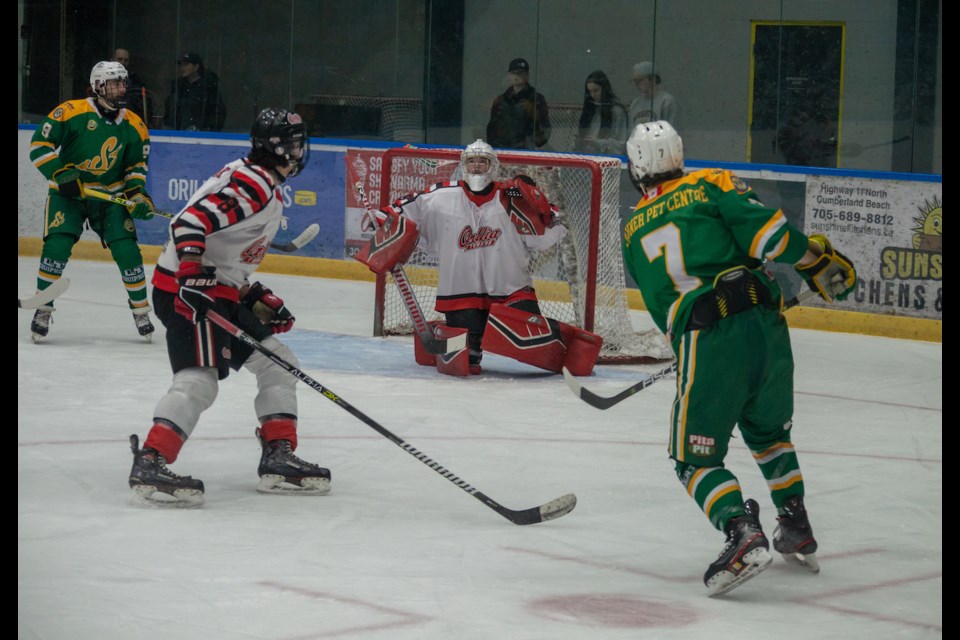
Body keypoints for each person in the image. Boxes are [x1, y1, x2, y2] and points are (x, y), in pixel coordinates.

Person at [622, 121, 857, 597]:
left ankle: (739, 531)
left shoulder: (633, 228)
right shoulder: (711, 182)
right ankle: (795, 523)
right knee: (770, 436)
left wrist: (699, 353)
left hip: (707, 337)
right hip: (766, 327)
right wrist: (814, 259)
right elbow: (770, 236)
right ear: (679, 154)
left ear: (637, 166)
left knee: (693, 459)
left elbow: (664, 305)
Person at [127, 107, 328, 507]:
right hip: (190, 294)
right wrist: (190, 273)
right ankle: (151, 459)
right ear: (275, 149)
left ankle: (277, 455)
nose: (298, 150)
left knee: (277, 361)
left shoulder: (258, 180)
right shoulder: (253, 185)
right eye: (292, 143)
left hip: (215, 290)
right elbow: (186, 225)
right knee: (200, 379)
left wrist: (250, 293)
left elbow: (225, 252)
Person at [357, 140, 602, 377]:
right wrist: (381, 218)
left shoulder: (513, 196)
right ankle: (449, 337)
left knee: (530, 344)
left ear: (493, 166)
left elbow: (551, 230)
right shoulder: (441, 195)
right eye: (471, 161)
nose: (476, 167)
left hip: (511, 290)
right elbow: (404, 208)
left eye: (482, 162)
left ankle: (450, 335)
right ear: (463, 165)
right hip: (460, 294)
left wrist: (544, 211)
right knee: (468, 361)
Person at [27, 60, 157, 343]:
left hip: (110, 197)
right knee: (57, 246)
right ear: (98, 86)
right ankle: (43, 309)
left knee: (128, 251)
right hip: (68, 194)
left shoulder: (135, 124)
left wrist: (137, 195)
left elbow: (136, 167)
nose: (121, 89)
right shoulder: (71, 112)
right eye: (114, 84)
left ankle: (140, 311)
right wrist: (62, 174)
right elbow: (39, 146)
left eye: (123, 83)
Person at [486, 58, 551, 150]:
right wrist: (495, 147)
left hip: (526, 153)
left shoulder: (536, 99)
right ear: (508, 75)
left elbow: (544, 130)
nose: (516, 76)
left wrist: (533, 114)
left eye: (520, 73)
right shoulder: (501, 100)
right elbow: (492, 129)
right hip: (501, 151)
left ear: (527, 75)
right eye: (513, 73)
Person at [163, 52, 226, 132]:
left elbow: (218, 113)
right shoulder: (178, 87)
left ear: (196, 67)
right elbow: (170, 110)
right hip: (178, 135)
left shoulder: (208, 87)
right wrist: (168, 127)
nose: (182, 68)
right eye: (181, 65)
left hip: (201, 137)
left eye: (186, 64)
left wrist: (207, 131)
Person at [572, 70, 629, 155]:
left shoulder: (617, 112)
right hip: (587, 159)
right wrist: (579, 142)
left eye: (596, 91)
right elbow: (578, 147)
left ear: (604, 90)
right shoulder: (590, 110)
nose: (592, 95)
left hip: (607, 162)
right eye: (589, 92)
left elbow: (620, 145)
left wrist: (598, 143)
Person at [628, 61, 680, 129]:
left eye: (640, 80)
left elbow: (671, 129)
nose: (636, 84)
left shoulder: (666, 101)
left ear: (652, 79)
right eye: (635, 81)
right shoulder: (635, 103)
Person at [111, 48, 155, 123]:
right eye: (120, 59)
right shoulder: (104, 80)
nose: (123, 62)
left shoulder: (135, 81)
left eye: (126, 60)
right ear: (112, 60)